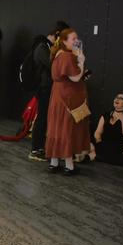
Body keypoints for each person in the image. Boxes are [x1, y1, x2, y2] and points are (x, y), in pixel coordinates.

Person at [45, 28, 90, 175]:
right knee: (66, 128)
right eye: (73, 38)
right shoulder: (67, 56)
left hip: (58, 95)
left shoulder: (58, 54)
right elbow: (76, 78)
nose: (76, 41)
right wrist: (82, 62)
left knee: (56, 127)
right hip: (68, 97)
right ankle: (69, 165)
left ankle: (54, 162)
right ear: (64, 41)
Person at [28, 21, 69, 161]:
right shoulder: (42, 47)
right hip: (44, 88)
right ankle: (35, 149)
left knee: (46, 118)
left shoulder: (48, 47)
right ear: (57, 34)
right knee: (42, 118)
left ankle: (41, 147)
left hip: (49, 87)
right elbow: (54, 66)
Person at [89, 93, 123, 166]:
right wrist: (99, 142)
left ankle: (96, 156)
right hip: (103, 144)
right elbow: (98, 132)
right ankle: (96, 155)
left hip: (118, 147)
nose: (117, 99)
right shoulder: (106, 115)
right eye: (116, 97)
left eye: (121, 98)